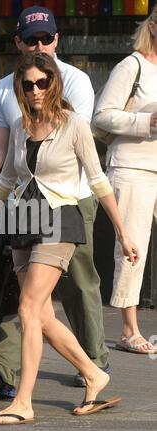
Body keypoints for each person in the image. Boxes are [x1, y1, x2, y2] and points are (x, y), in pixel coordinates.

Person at [0, 52, 139, 423]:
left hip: (60, 219)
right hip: (25, 219)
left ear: (53, 82)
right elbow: (6, 183)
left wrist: (123, 232)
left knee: (27, 308)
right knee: (39, 314)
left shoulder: (73, 124)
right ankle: (93, 373)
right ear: (20, 89)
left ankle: (23, 402)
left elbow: (98, 180)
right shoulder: (22, 127)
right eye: (28, 85)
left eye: (43, 82)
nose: (36, 90)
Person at [0, 5, 109, 389]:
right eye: (31, 39)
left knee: (78, 284)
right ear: (18, 42)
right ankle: (5, 373)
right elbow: (2, 145)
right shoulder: (4, 87)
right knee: (24, 297)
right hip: (22, 207)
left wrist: (123, 232)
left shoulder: (73, 80)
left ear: (57, 39)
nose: (40, 44)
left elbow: (73, 142)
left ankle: (93, 362)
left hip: (68, 202)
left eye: (46, 37)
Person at [92, 7, 157, 354]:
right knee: (133, 248)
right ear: (154, 26)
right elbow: (102, 115)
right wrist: (146, 122)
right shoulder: (132, 66)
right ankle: (129, 329)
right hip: (133, 166)